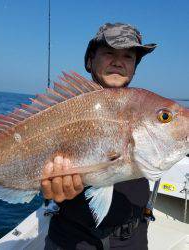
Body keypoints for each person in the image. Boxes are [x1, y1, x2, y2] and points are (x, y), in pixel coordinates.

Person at [41, 22, 157, 250]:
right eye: (108, 53)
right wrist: (45, 188)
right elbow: (35, 167)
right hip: (72, 239)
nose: (118, 61)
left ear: (134, 67)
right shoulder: (63, 110)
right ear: (89, 60)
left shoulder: (144, 109)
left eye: (128, 56)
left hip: (132, 238)